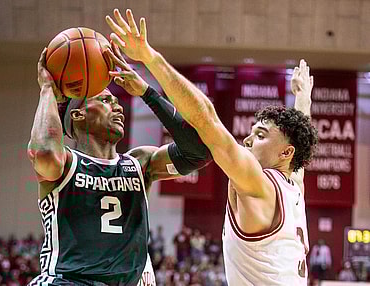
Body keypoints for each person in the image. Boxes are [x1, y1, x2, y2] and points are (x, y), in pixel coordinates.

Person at [105, 9, 318, 285]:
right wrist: (303, 99)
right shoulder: (294, 186)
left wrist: (149, 58)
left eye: (261, 136)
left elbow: (206, 119)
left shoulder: (259, 186)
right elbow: (299, 153)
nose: (248, 140)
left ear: (286, 153)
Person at [27, 41, 212, 284]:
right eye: (105, 101)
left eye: (117, 102)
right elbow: (43, 153)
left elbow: (199, 153)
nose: (118, 107)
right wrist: (48, 90)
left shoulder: (139, 163)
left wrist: (146, 92)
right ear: (78, 114)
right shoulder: (65, 163)